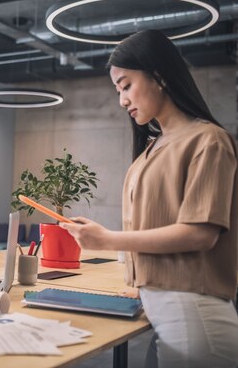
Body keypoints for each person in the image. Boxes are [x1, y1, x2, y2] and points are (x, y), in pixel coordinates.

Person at [60, 30, 238, 368]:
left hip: (196, 320)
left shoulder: (209, 141)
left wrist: (108, 240)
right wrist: (145, 285)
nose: (122, 100)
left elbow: (200, 233)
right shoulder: (150, 150)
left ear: (158, 76)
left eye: (126, 86)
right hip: (164, 313)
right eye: (118, 90)